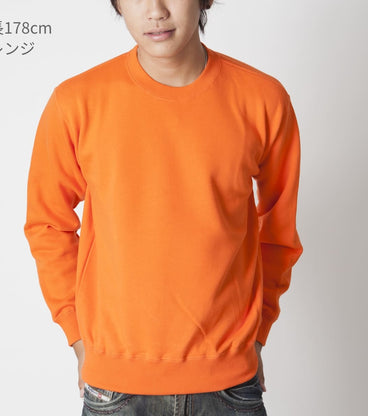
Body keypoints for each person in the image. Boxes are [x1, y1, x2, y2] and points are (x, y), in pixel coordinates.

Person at [24, 1, 303, 414]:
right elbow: (47, 224)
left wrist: (257, 333)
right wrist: (78, 337)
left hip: (230, 385)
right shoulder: (76, 101)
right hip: (115, 387)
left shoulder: (263, 98)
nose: (155, 11)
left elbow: (279, 231)